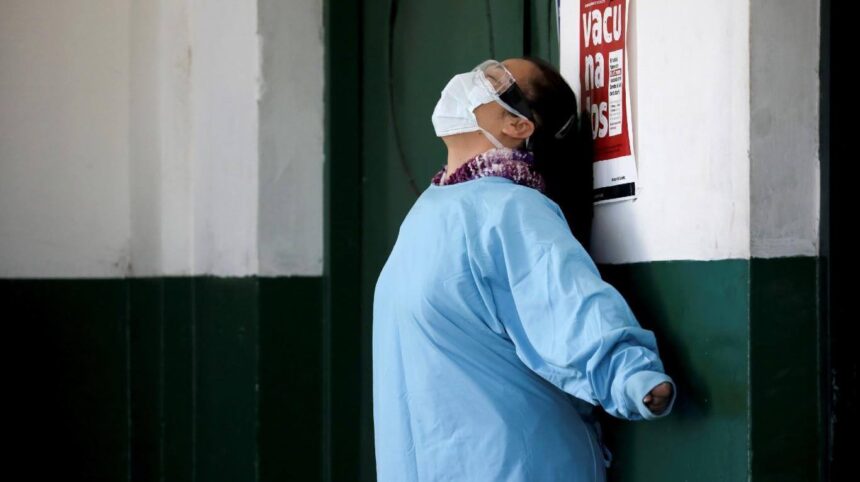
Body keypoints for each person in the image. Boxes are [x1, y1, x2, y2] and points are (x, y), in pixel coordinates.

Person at [372, 56, 676, 481]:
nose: (476, 78)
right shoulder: (431, 208)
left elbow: (567, 303)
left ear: (518, 126)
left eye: (497, 78)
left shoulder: (512, 209)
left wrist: (631, 375)